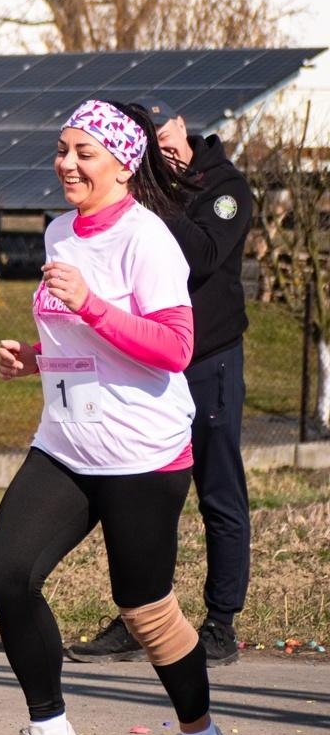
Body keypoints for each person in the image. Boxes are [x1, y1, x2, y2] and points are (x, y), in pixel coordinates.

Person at [0, 99, 237, 735]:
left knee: (145, 609)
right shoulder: (60, 231)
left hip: (141, 453)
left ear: (123, 164)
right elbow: (86, 347)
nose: (66, 163)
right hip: (67, 443)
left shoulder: (147, 238)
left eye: (83, 152)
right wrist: (37, 358)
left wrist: (91, 303)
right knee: (9, 577)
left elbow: (175, 348)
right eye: (62, 149)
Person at [69, 97, 253, 667]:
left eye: (162, 136)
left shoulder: (225, 189)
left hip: (208, 360)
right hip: (147, 360)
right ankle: (142, 614)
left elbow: (203, 255)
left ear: (182, 126)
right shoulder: (139, 197)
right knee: (144, 495)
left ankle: (221, 623)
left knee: (218, 492)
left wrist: (152, 194)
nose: (157, 149)